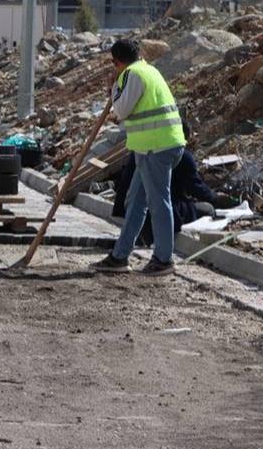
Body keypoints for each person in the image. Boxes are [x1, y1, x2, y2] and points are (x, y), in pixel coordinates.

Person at [92, 39, 186, 276]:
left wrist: (113, 87)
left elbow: (121, 110)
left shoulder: (132, 74)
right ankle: (120, 256)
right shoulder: (148, 70)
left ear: (118, 62)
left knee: (158, 203)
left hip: (156, 147)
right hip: (156, 146)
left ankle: (164, 259)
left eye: (114, 64)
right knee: (135, 201)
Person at [112, 123, 235, 245]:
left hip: (136, 213)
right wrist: (216, 198)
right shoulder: (182, 156)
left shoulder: (140, 150)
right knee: (208, 209)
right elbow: (196, 188)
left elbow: (123, 182)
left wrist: (120, 213)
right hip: (166, 214)